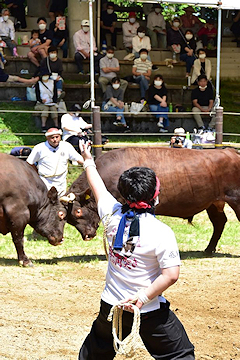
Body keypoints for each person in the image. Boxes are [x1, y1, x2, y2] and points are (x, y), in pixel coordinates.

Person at [78, 142, 195, 360]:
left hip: (111, 305)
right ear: (155, 195)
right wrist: (142, 297)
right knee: (180, 355)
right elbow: (171, 275)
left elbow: (97, 186)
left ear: (124, 194)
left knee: (94, 353)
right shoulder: (162, 232)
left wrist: (87, 158)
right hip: (148, 309)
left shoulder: (110, 214)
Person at [26, 128, 83, 196]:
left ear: (60, 136)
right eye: (52, 137)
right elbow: (29, 163)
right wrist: (36, 173)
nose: (55, 139)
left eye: (57, 137)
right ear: (47, 138)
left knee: (61, 201)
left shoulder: (66, 146)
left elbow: (79, 159)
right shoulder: (39, 148)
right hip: (45, 181)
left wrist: (89, 165)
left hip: (61, 181)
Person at [34, 68, 58, 132]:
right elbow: (37, 95)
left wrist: (54, 100)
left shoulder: (52, 82)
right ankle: (43, 126)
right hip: (41, 103)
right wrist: (41, 100)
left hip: (51, 102)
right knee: (45, 109)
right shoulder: (38, 84)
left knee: (53, 109)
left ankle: (56, 125)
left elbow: (55, 94)